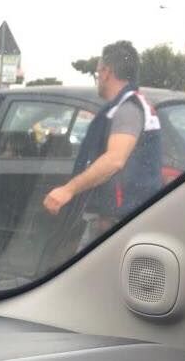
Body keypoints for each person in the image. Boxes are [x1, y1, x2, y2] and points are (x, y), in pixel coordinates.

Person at [43, 41, 162, 239]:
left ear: (106, 72)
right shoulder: (132, 104)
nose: (98, 77)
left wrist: (68, 190)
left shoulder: (127, 109)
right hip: (128, 215)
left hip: (117, 220)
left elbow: (115, 159)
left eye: (98, 72)